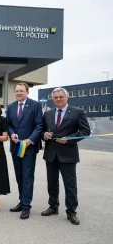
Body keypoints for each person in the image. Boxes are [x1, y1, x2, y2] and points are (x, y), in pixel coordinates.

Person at [41, 87, 90, 225]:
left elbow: (85, 131)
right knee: (52, 183)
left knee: (70, 185)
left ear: (67, 97)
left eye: (61, 97)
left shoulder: (77, 112)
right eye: (55, 97)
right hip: (51, 154)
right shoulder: (48, 114)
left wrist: (68, 139)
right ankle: (53, 206)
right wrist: (44, 135)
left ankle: (71, 212)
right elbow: (42, 131)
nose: (58, 99)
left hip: (68, 154)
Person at [6, 82, 43, 219]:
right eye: (17, 91)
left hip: (29, 148)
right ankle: (22, 201)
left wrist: (29, 140)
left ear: (27, 92)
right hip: (15, 147)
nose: (19, 93)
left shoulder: (35, 105)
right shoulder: (11, 107)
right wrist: (12, 134)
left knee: (27, 176)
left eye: (21, 91)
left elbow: (39, 126)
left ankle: (27, 206)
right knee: (19, 176)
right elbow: (8, 124)